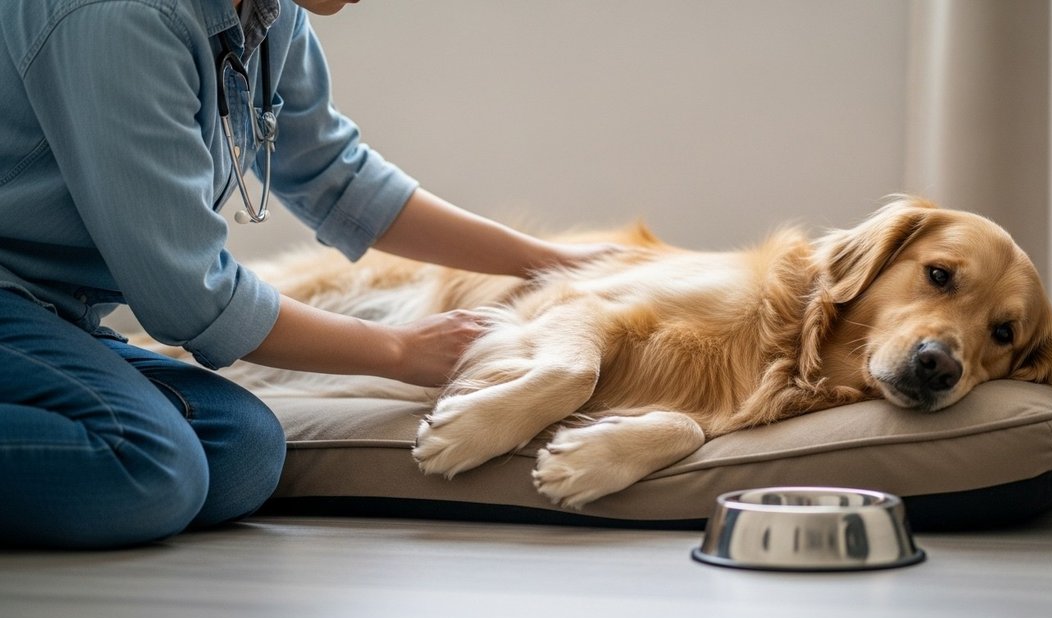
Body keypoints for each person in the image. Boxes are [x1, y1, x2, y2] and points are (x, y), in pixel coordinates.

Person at [0, 0, 614, 549]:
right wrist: (401, 350)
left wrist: (548, 260)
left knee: (242, 454)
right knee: (152, 469)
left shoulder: (268, 13)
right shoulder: (120, 18)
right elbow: (192, 298)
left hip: (54, 311)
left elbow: (335, 175)